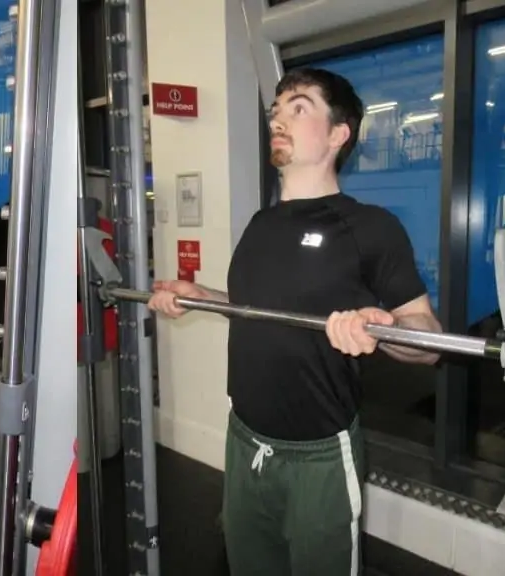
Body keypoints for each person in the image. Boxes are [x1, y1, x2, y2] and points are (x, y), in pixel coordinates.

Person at [148, 67, 443, 576]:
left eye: (298, 107)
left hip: (320, 458)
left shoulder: (370, 227)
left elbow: (429, 339)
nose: (278, 119)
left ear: (338, 134)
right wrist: (202, 297)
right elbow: (256, 307)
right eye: (276, 110)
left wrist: (379, 328)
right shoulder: (262, 223)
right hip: (243, 441)